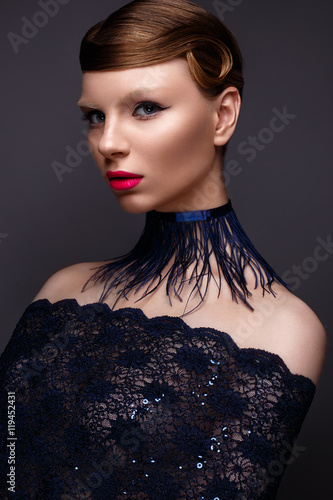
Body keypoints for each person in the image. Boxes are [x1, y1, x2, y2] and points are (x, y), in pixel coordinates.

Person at [0, 0, 326, 498]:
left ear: (223, 115)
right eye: (94, 116)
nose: (108, 141)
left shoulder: (283, 328)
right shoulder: (64, 290)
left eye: (145, 108)